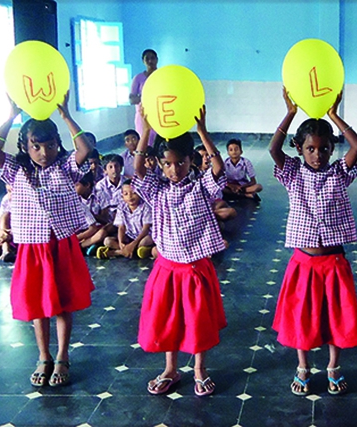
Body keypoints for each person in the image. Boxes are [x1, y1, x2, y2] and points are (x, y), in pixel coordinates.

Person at [0, 94, 95, 388]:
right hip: (33, 249)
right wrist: (11, 114)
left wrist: (67, 115)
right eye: (35, 146)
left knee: (62, 303)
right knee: (38, 304)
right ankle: (43, 356)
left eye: (49, 145)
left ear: (57, 145)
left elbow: (85, 148)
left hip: (60, 245)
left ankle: (62, 355)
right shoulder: (16, 169)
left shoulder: (64, 166)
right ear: (25, 146)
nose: (43, 152)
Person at [269, 88, 357, 396]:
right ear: (299, 148)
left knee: (336, 317)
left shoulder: (340, 173)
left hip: (334, 262)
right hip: (304, 264)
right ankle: (303, 366)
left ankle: (333, 365)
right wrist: (290, 113)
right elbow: (273, 149)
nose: (318, 154)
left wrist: (333, 114)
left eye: (324, 149)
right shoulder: (293, 173)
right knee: (302, 318)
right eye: (311, 148)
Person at [133, 106, 227, 397]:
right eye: (168, 164)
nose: (175, 169)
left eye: (181, 163)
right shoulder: (157, 189)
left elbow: (218, 169)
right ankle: (171, 369)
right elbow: (137, 170)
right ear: (160, 165)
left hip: (196, 268)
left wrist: (202, 130)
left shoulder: (200, 187)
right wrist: (146, 129)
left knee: (197, 322)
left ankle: (199, 369)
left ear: (191, 161)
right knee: (167, 320)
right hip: (167, 267)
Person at [96, 179, 154, 259]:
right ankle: (133, 251)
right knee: (107, 241)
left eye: (134, 193)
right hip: (130, 236)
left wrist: (134, 243)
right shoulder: (121, 207)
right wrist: (121, 243)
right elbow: (121, 227)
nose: (130, 196)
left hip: (144, 236)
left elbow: (145, 229)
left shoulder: (146, 207)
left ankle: (116, 252)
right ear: (122, 196)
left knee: (144, 242)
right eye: (126, 194)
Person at [129, 49, 158, 145]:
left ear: (157, 60)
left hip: (160, 115)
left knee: (160, 143)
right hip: (143, 116)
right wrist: (148, 98)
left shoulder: (162, 76)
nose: (150, 61)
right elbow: (132, 99)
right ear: (143, 61)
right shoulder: (138, 78)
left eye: (152, 58)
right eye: (147, 59)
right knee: (145, 141)